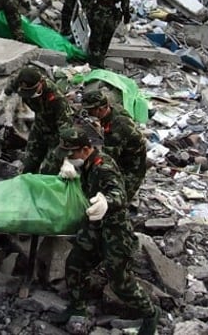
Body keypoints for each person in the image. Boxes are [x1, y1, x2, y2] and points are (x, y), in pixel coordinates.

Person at [54, 125, 159, 335]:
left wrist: (106, 202)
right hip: (93, 226)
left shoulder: (104, 166)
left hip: (114, 229)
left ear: (85, 149)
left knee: (120, 282)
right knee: (75, 264)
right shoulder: (84, 162)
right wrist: (68, 167)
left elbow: (119, 194)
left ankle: (150, 314)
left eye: (72, 153)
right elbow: (64, 159)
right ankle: (78, 307)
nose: (69, 156)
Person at [78, 90, 148, 201]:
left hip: (130, 167)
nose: (88, 113)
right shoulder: (111, 110)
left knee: (118, 196)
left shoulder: (118, 127)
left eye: (90, 111)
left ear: (100, 109)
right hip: (122, 155)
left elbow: (107, 158)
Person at [8, 65, 74, 175]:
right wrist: (5, 97)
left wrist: (65, 154)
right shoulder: (21, 82)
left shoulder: (57, 99)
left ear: (40, 83)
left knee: (49, 171)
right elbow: (11, 87)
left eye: (32, 90)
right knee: (29, 163)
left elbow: (66, 130)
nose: (30, 95)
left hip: (55, 133)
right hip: (39, 127)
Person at [81, 0, 131, 66]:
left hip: (97, 13)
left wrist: (86, 8)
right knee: (106, 39)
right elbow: (125, 1)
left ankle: (91, 62)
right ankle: (100, 61)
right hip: (112, 15)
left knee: (95, 38)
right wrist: (127, 19)